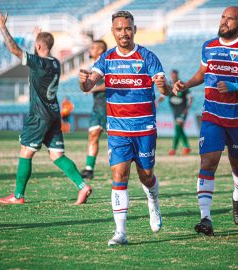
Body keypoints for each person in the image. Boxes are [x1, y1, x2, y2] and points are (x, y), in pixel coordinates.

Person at [173, 6, 238, 235]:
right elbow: (202, 74)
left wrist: (237, 86)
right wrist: (186, 84)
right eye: (223, 17)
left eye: (231, 19)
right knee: (208, 163)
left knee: (237, 164)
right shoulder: (208, 45)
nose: (225, 22)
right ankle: (205, 218)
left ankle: (237, 195)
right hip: (212, 115)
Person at [79, 11, 171, 245]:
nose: (123, 33)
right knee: (119, 175)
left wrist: (164, 85)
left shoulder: (147, 57)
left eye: (127, 28)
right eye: (119, 29)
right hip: (118, 129)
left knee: (146, 176)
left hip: (144, 128)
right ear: (113, 32)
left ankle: (153, 202)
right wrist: (84, 82)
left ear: (134, 29)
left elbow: (165, 89)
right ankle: (121, 233)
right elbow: (89, 84)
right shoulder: (107, 58)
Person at [0, 7, 92, 205]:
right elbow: (45, 50)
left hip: (39, 115)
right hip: (54, 114)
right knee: (56, 155)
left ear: (38, 46)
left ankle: (18, 196)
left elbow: (14, 49)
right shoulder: (56, 63)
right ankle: (83, 186)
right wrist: (39, 38)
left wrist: (3, 27)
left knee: (26, 151)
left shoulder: (38, 63)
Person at [80, 40, 108, 180]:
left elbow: (111, 84)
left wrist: (93, 88)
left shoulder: (108, 63)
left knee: (117, 140)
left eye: (93, 48)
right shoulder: (94, 66)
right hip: (97, 107)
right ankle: (89, 169)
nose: (90, 50)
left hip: (110, 106)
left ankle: (122, 165)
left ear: (101, 50)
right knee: (93, 135)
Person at [157, 69, 193, 156]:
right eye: (172, 75)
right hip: (175, 111)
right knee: (179, 129)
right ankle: (187, 147)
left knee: (178, 127)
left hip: (182, 109)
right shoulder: (168, 85)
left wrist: (187, 109)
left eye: (175, 75)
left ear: (177, 75)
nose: (173, 77)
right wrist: (157, 102)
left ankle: (173, 149)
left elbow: (190, 98)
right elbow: (163, 95)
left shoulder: (182, 84)